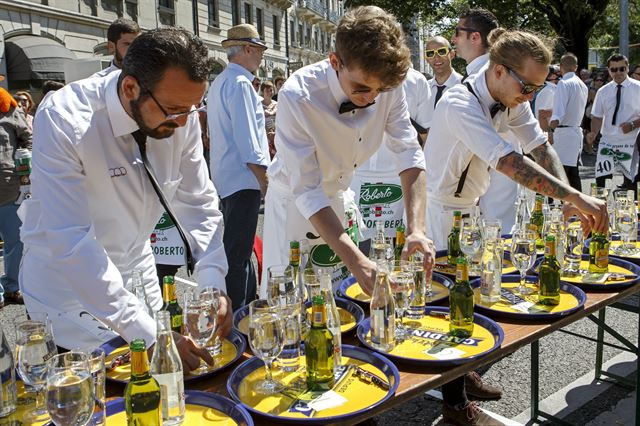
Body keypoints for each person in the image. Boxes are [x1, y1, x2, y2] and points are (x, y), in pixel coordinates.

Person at [19, 28, 231, 371]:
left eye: (191, 109)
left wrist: (211, 285)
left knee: (156, 388)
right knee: (92, 399)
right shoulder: (66, 117)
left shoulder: (180, 113)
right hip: (68, 288)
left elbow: (198, 203)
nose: (182, 121)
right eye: (174, 109)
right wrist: (146, 334)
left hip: (137, 271)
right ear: (130, 87)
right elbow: (72, 240)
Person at [425, 28, 608, 425]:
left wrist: (566, 198)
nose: (529, 97)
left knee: (473, 294)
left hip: (469, 206)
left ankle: (461, 375)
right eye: (527, 87)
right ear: (499, 70)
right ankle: (453, 404)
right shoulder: (460, 101)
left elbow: (541, 148)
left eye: (537, 89)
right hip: (439, 212)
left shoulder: (513, 95)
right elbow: (509, 162)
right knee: (448, 301)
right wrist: (574, 198)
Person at [262, 6, 435, 297]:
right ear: (334, 62)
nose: (371, 99)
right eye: (361, 89)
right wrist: (356, 261)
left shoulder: (386, 85)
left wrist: (416, 228)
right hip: (294, 206)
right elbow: (307, 189)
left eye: (379, 91)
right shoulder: (298, 95)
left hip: (339, 200)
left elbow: (408, 152)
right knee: (292, 303)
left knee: (343, 303)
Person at [207, 24, 270, 311]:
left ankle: (242, 308)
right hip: (244, 179)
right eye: (258, 50)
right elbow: (249, 142)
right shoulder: (242, 83)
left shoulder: (221, 81)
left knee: (238, 250)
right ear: (246, 49)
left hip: (227, 176)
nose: (260, 57)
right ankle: (237, 313)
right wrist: (265, 180)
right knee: (238, 253)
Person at [349, 67, 431, 242]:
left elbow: (422, 135)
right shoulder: (345, 75)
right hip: (357, 173)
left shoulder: (416, 81)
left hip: (397, 173)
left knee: (396, 242)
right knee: (358, 239)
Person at [588, 53, 640, 190]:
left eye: (622, 69)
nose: (618, 73)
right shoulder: (603, 91)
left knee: (631, 183)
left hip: (631, 141)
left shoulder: (638, 88)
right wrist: (593, 132)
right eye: (614, 69)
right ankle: (601, 209)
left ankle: (631, 209)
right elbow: (597, 116)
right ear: (609, 70)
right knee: (601, 181)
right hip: (608, 141)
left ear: (628, 68)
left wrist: (633, 124)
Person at [0, 82, 31, 308]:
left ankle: (12, 287)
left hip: (8, 187)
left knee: (15, 242)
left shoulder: (7, 107)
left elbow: (28, 138)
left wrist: (25, 161)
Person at [547, 53, 588, 192]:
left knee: (557, 172)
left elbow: (558, 113)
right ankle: (579, 205)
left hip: (563, 134)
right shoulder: (583, 85)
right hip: (576, 132)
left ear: (561, 67)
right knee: (573, 173)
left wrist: (550, 130)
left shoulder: (564, 84)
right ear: (576, 67)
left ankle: (552, 204)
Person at [422, 36, 462, 142]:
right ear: (426, 59)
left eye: (441, 51)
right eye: (430, 53)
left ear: (452, 54)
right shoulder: (423, 89)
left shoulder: (465, 86)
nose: (436, 57)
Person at [451, 8, 498, 77]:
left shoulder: (479, 80)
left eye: (457, 32)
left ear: (474, 37)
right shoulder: (497, 70)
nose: (452, 39)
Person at [260, 80, 278, 158]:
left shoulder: (276, 104)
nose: (270, 93)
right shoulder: (259, 105)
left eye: (271, 90)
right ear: (262, 92)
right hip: (264, 136)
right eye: (267, 91)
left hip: (275, 135)